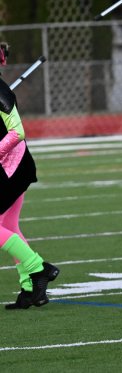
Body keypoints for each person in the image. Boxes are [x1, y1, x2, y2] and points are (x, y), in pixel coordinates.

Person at [0, 43, 60, 309]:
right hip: (9, 166)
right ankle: (31, 289)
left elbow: (18, 132)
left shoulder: (1, 92)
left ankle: (39, 268)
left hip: (14, 165)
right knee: (9, 227)